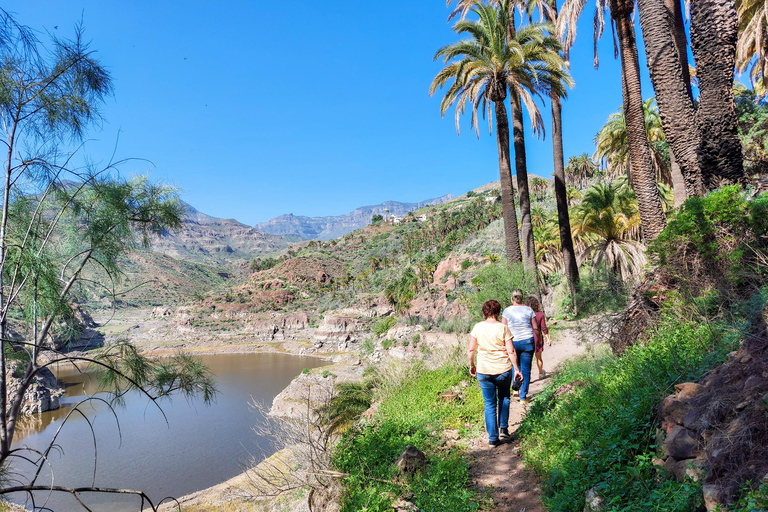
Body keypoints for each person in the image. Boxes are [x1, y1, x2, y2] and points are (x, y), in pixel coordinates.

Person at [468, 299, 519, 446]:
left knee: (489, 404)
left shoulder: (477, 327)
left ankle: (493, 438)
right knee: (504, 397)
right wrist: (516, 368)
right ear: (497, 312)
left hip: (484, 371)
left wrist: (472, 365)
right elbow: (511, 350)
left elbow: (471, 349)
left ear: (485, 312)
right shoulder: (503, 328)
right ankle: (503, 428)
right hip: (503, 369)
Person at [501, 289, 538, 403]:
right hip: (527, 341)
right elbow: (535, 328)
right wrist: (538, 340)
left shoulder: (507, 311)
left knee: (514, 365)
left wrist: (503, 343)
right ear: (522, 298)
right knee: (526, 369)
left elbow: (503, 328)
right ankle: (523, 396)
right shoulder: (529, 310)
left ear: (512, 298)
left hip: (512, 341)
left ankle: (515, 389)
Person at [526, 295, 551, 377]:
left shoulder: (525, 315)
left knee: (526, 359)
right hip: (537, 337)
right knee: (538, 357)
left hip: (527, 337)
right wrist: (548, 338)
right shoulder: (540, 315)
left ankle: (527, 376)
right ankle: (540, 373)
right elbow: (544, 327)